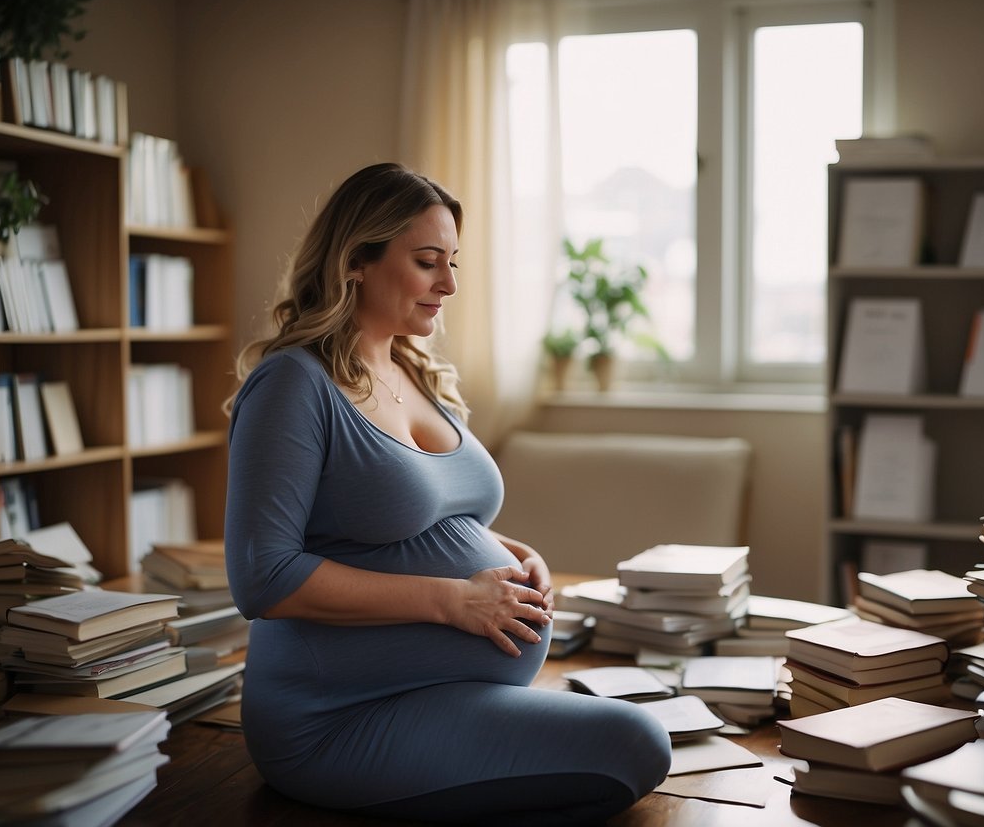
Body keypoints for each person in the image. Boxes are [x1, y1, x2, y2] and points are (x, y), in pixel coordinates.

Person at [224, 163, 671, 825]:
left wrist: (512, 553)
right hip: (337, 719)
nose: (449, 284)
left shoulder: (412, 366)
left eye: (452, 261)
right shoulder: (293, 385)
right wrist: (453, 599)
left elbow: (420, 517)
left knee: (641, 737)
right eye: (428, 261)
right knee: (635, 743)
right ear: (355, 262)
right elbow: (263, 577)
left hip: (444, 692)